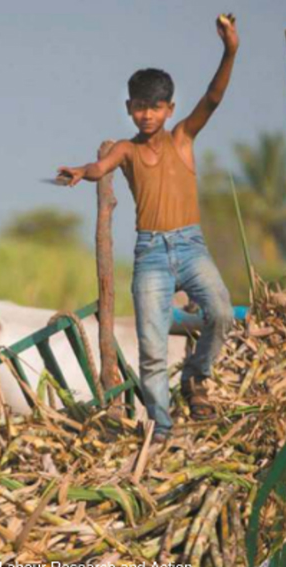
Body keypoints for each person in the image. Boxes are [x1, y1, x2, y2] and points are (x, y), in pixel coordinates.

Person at [57, 15, 239, 442]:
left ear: (169, 109)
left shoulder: (183, 138)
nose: (147, 114)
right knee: (152, 348)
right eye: (139, 105)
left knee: (222, 311)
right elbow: (101, 165)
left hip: (191, 246)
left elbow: (213, 98)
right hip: (151, 253)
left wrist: (230, 50)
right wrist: (83, 171)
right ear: (128, 108)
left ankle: (196, 377)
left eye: (155, 106)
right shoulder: (126, 149)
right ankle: (161, 429)